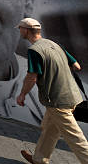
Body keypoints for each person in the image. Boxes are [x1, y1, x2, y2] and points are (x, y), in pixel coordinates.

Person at [15, 18, 88, 164]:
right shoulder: (55, 44)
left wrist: (22, 94)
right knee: (50, 129)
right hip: (73, 95)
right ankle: (39, 159)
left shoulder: (35, 50)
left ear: (26, 31)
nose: (19, 31)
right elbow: (77, 66)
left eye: (20, 29)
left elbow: (32, 77)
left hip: (58, 101)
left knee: (76, 138)